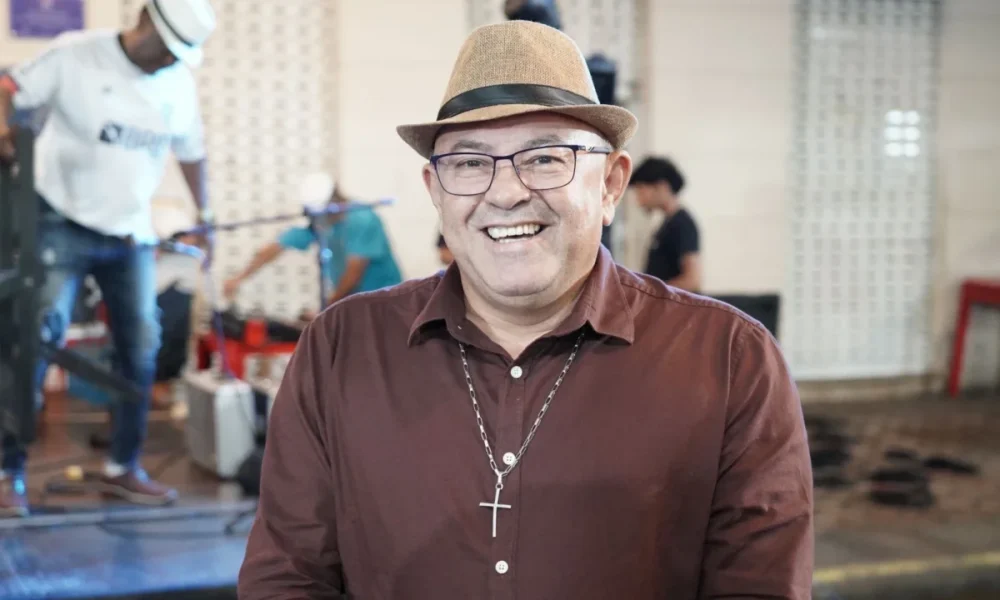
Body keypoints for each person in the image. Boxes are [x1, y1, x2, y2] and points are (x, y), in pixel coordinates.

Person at [238, 21, 812, 600]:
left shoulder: (728, 360)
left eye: (544, 158)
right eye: (469, 163)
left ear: (611, 185)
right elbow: (287, 577)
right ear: (435, 191)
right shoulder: (342, 348)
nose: (506, 192)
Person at [0, 0, 217, 517]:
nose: (170, 60)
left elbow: (191, 152)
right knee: (35, 341)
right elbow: (8, 86)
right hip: (58, 220)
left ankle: (123, 467)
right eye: (167, 49)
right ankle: (8, 473)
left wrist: (205, 214)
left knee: (141, 346)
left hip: (129, 235)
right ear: (145, 22)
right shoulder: (75, 54)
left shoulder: (176, 83)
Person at [222, 172, 403, 314]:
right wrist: (238, 278)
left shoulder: (362, 219)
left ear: (335, 199)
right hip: (353, 304)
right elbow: (276, 247)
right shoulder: (321, 221)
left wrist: (327, 307)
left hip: (384, 304)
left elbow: (354, 272)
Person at [629, 156, 703, 292]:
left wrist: (649, 292)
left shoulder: (682, 224)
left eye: (641, 190)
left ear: (661, 187)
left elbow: (692, 281)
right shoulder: (667, 223)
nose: (638, 199)